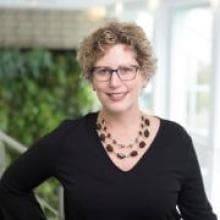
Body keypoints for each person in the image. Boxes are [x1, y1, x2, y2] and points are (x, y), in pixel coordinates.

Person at [0, 21, 217, 220]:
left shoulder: (175, 139)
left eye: (126, 70)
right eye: (103, 71)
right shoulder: (68, 139)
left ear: (144, 75)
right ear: (91, 79)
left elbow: (200, 216)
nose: (114, 82)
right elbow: (10, 188)